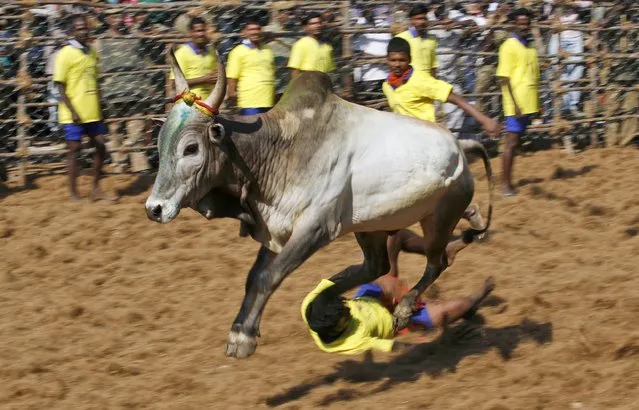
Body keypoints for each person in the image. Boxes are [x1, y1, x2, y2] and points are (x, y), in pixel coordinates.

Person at [381, 36, 498, 279]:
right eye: (393, 60)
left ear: (410, 60)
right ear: (387, 60)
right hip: (405, 153)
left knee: (401, 219)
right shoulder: (387, 85)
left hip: (428, 150)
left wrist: (483, 119)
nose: (397, 64)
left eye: (401, 60)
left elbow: (452, 97)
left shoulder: (421, 80)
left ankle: (391, 278)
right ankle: (466, 214)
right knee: (421, 208)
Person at [302, 274, 496, 354]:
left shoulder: (311, 305)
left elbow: (346, 276)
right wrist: (432, 346)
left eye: (344, 305)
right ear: (339, 327)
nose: (347, 308)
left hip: (367, 298)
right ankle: (472, 303)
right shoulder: (352, 342)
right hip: (398, 322)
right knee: (460, 305)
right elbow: (395, 347)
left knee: (379, 273)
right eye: (345, 314)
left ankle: (410, 298)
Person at [53, 15, 115, 202]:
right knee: (74, 149)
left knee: (101, 145)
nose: (83, 31)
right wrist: (72, 111)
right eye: (79, 28)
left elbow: (97, 81)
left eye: (85, 28)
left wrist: (101, 105)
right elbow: (60, 86)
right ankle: (73, 193)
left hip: (92, 111)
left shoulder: (92, 52)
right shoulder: (65, 53)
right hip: (73, 113)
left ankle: (96, 188)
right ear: (72, 31)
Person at [496, 8, 540, 197]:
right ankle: (505, 185)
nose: (524, 26)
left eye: (526, 23)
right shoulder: (508, 46)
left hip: (529, 100)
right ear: (513, 24)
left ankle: (508, 181)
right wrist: (514, 105)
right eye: (520, 23)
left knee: (516, 143)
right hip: (516, 103)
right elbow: (504, 78)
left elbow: (534, 76)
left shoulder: (530, 47)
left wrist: (538, 103)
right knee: (511, 143)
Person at [227, 18, 275, 116]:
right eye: (251, 30)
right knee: (252, 129)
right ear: (244, 32)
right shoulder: (238, 51)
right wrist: (232, 92)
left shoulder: (268, 50)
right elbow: (232, 76)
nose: (255, 32)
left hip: (268, 99)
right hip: (249, 101)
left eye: (258, 29)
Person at [170, 17, 218, 99]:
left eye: (203, 30)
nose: (201, 34)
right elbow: (175, 83)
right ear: (190, 32)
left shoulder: (212, 52)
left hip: (209, 103)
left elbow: (215, 75)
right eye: (198, 31)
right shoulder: (181, 54)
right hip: (190, 104)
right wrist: (203, 79)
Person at [395, 4, 438, 78]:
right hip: (409, 83)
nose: (422, 22)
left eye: (424, 18)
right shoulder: (401, 38)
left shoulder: (431, 39)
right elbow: (396, 65)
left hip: (428, 82)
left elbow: (433, 66)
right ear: (411, 20)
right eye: (418, 19)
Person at [287, 12, 334, 79]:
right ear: (305, 27)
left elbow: (330, 69)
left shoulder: (327, 45)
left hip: (323, 83)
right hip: (307, 83)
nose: (317, 26)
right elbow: (295, 70)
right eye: (313, 24)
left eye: (319, 23)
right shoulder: (301, 44)